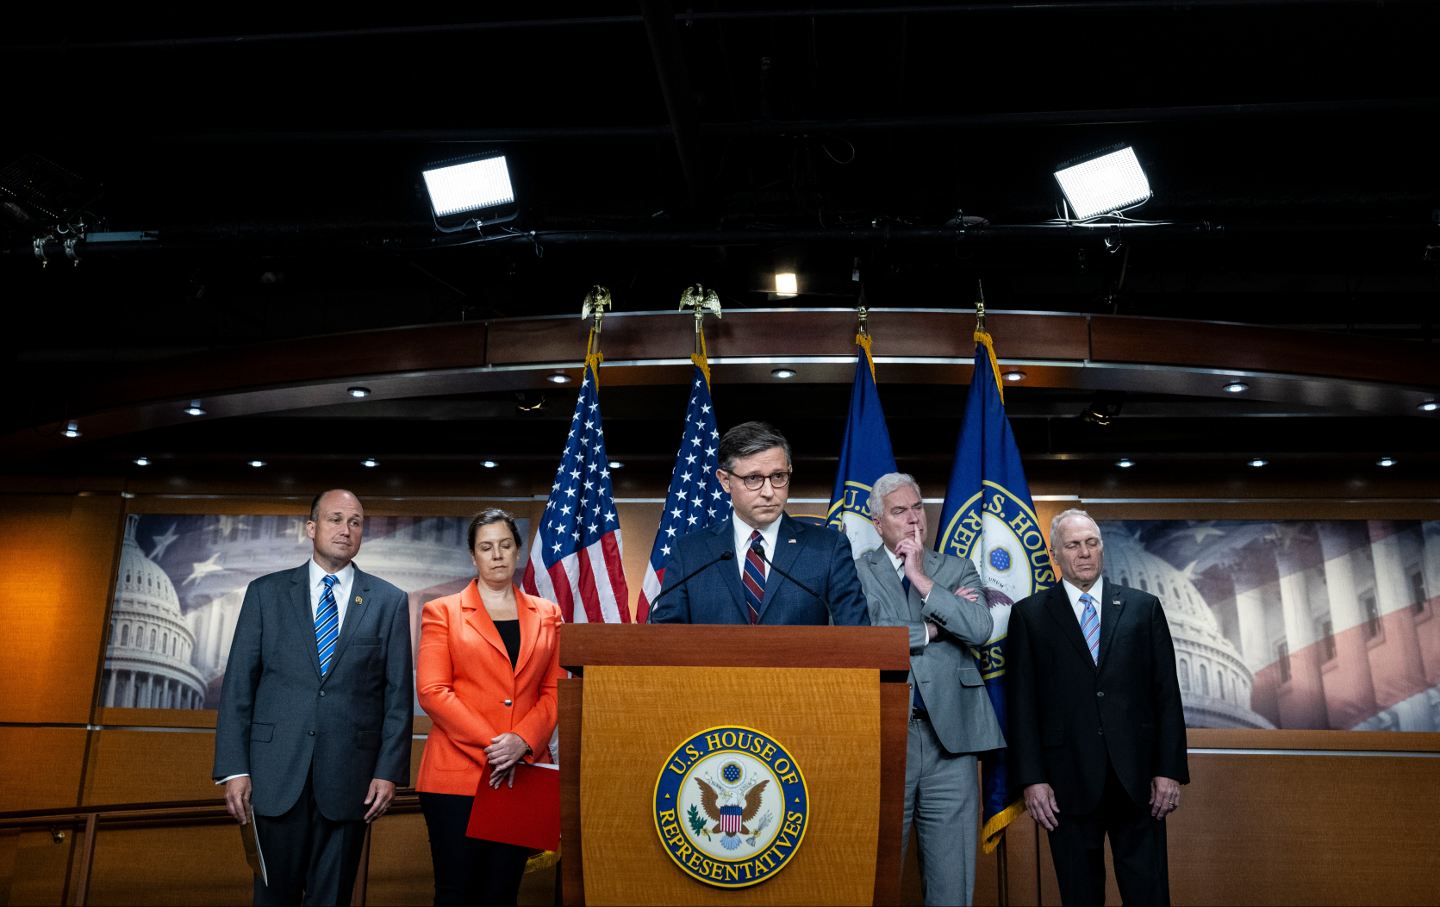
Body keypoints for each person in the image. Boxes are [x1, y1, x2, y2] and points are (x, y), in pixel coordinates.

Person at [214, 489, 414, 907]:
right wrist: (233, 768)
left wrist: (389, 771)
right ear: (311, 528)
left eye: (356, 522)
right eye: (335, 519)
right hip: (273, 776)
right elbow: (238, 687)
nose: (346, 529)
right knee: (273, 899)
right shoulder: (265, 593)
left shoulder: (389, 601)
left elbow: (397, 697)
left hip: (350, 781)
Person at [1007, 508, 1188, 907]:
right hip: (1065, 784)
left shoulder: (1144, 608)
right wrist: (1032, 780)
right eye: (1073, 545)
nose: (1085, 553)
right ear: (1056, 554)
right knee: (1080, 896)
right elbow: (1022, 707)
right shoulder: (1030, 616)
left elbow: (1166, 696)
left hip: (1139, 782)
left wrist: (1169, 771)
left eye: (1092, 543)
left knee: (1148, 894)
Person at [855, 472, 1002, 907]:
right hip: (884, 738)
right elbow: (864, 636)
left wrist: (921, 578)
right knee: (874, 875)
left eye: (917, 507)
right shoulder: (856, 570)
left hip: (950, 742)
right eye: (899, 511)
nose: (913, 518)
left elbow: (978, 627)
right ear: (878, 523)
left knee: (952, 881)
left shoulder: (955, 568)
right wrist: (933, 629)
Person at [416, 509, 563, 907]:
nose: (496, 554)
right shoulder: (441, 611)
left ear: (517, 552)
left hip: (523, 773)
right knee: (455, 893)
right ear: (473, 556)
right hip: (456, 775)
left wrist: (523, 740)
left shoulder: (548, 614)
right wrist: (497, 743)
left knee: (502, 893)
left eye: (505, 545)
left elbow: (554, 691)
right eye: (486, 547)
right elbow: (432, 690)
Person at [649, 420, 870, 626]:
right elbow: (665, 639)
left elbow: (858, 637)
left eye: (778, 476)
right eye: (753, 479)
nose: (768, 492)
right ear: (725, 481)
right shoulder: (689, 553)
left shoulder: (828, 548)